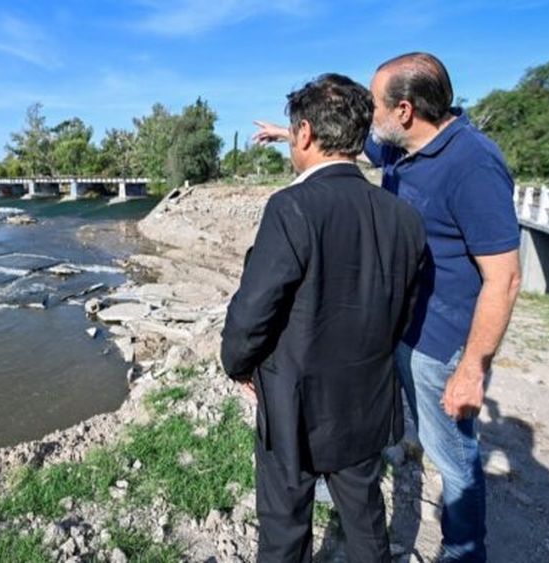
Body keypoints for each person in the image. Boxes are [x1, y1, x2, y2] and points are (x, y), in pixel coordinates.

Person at [253, 53, 522, 562]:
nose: (367, 115)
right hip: (393, 329)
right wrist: (291, 137)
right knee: (367, 432)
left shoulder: (473, 163)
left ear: (403, 109)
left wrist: (472, 368)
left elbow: (504, 279)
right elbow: (342, 147)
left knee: (453, 458)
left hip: (437, 344)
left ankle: (464, 553)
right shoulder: (404, 148)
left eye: (374, 104)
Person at [221, 73, 428, 563]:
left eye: (293, 135)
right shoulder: (402, 216)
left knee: (286, 524)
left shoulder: (291, 207)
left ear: (305, 134)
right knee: (364, 517)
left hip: (294, 401)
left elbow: (253, 311)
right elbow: (405, 309)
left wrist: (238, 365)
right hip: (366, 398)